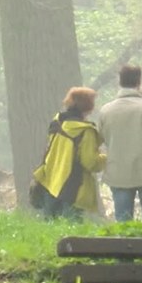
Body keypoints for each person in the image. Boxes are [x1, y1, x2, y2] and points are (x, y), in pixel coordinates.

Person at [98, 65, 142, 221]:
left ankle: (124, 245)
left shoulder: (106, 111)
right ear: (139, 81)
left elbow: (102, 139)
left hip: (118, 173)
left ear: (119, 81)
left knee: (123, 220)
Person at [33, 87, 106, 219]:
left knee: (50, 229)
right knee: (71, 230)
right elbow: (90, 162)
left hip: (49, 182)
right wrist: (105, 158)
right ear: (89, 106)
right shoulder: (85, 131)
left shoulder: (57, 124)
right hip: (72, 187)